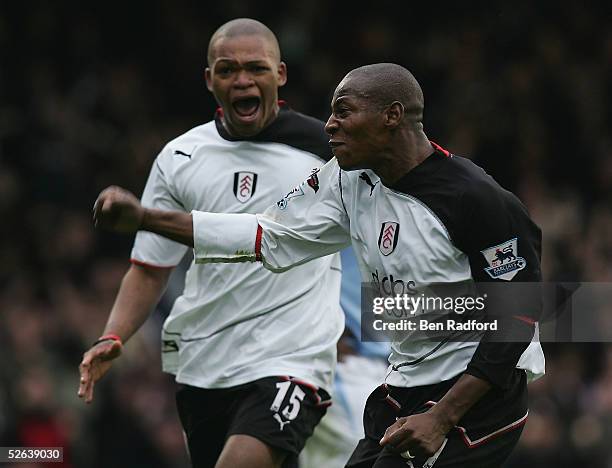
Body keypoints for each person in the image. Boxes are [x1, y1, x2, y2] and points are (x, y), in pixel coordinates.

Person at [92, 63, 546, 467]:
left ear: (391, 116)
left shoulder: (476, 199)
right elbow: (268, 234)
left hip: (476, 398)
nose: (329, 125)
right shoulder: (346, 180)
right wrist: (146, 218)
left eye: (344, 111)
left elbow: (520, 315)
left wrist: (442, 418)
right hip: (403, 384)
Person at [78, 18, 346, 468]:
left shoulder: (330, 152)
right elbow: (150, 266)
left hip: (292, 359)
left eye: (256, 68)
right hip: (204, 362)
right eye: (227, 70)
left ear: (279, 75)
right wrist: (114, 333)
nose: (242, 80)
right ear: (210, 80)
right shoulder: (181, 157)